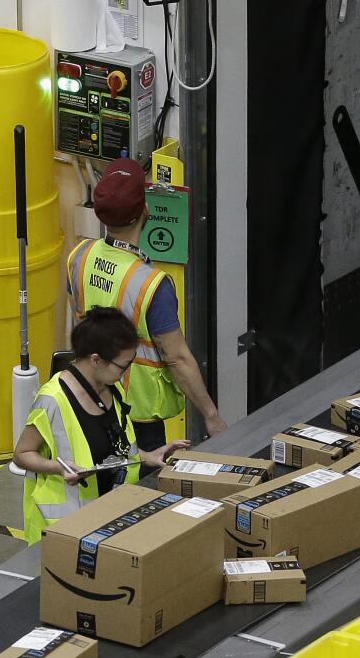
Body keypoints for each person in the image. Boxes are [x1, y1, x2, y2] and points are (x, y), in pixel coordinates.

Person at [67, 157, 226, 456]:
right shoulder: (152, 285)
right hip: (138, 416)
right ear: (145, 210)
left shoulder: (79, 257)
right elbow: (177, 358)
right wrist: (211, 415)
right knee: (141, 494)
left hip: (88, 399)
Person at [13, 306, 191, 544]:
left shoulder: (112, 389)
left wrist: (148, 456)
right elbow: (22, 454)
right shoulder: (53, 400)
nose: (126, 373)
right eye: (122, 366)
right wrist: (59, 468)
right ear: (96, 360)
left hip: (111, 519)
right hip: (68, 530)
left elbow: (115, 449)